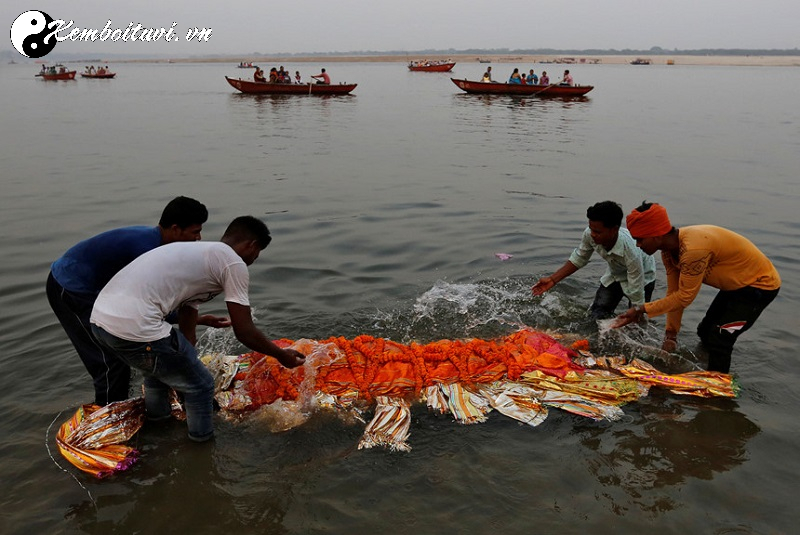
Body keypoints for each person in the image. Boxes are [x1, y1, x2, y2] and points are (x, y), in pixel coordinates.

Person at [90, 216, 306, 442]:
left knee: (158, 373)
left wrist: (187, 351)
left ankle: (160, 430)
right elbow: (244, 331)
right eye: (257, 252)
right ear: (251, 245)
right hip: (136, 327)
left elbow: (188, 310)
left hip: (100, 322)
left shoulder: (199, 254)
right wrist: (281, 355)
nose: (255, 258)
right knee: (201, 386)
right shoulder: (233, 263)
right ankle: (201, 448)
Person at [46, 196, 214, 406]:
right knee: (108, 362)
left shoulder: (157, 245)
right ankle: (107, 422)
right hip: (70, 288)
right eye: (195, 232)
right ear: (175, 229)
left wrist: (196, 319)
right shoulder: (147, 252)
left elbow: (150, 307)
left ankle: (124, 406)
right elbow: (148, 307)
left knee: (126, 352)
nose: (199, 238)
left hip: (96, 290)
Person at [612, 202, 781, 373]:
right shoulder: (668, 251)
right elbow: (674, 293)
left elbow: (685, 296)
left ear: (656, 235)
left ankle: (716, 385)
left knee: (720, 337)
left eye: (640, 239)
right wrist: (671, 335)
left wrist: (641, 309)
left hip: (759, 286)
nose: (638, 245)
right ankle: (706, 367)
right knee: (705, 331)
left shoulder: (693, 250)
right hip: (736, 284)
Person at [532, 201, 657, 320]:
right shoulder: (589, 234)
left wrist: (635, 311)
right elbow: (580, 258)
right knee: (597, 315)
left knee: (637, 320)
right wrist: (553, 280)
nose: (592, 234)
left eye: (597, 231)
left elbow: (636, 286)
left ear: (614, 230)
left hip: (643, 277)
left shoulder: (630, 249)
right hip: (616, 274)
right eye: (591, 229)